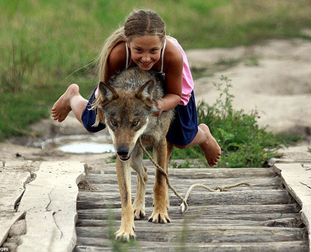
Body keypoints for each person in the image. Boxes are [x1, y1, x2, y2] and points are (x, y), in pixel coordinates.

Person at [51, 9, 221, 166]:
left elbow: (175, 94)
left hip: (170, 90)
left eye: (153, 50)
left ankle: (204, 135)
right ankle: (72, 96)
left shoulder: (172, 55)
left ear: (162, 42)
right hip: (127, 88)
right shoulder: (118, 54)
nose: (146, 58)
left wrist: (160, 105)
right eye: (138, 50)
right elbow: (109, 90)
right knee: (92, 124)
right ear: (128, 42)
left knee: (182, 139)